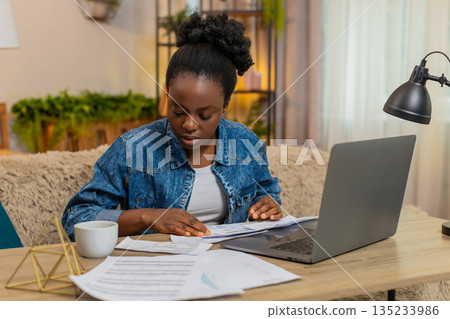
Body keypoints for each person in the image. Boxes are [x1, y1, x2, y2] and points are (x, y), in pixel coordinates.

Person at [62, 13, 281, 240]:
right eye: (178, 110)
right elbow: (76, 218)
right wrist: (148, 217)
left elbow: (266, 192)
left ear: (225, 105)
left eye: (204, 115)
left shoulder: (246, 143)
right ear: (167, 95)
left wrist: (268, 207)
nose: (188, 124)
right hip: (156, 267)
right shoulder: (133, 148)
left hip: (227, 265)